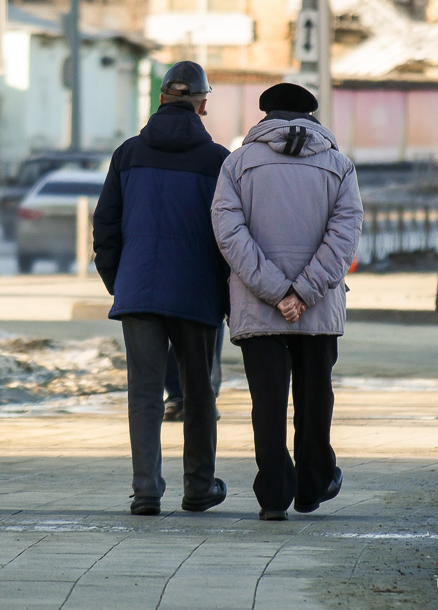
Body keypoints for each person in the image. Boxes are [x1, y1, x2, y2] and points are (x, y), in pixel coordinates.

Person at [211, 83, 363, 521]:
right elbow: (344, 236)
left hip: (257, 306)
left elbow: (229, 233)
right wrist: (303, 292)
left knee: (268, 401)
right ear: (312, 117)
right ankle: (313, 486)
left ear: (266, 117)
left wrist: (276, 291)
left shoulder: (237, 164)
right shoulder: (339, 166)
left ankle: (274, 496)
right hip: (318, 307)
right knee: (315, 398)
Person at [92, 61, 230, 515]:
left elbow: (105, 226)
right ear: (202, 104)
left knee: (145, 393)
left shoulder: (128, 154)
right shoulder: (218, 161)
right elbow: (230, 235)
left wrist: (120, 282)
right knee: (199, 393)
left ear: (161, 100)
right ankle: (199, 487)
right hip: (197, 294)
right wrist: (226, 295)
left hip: (138, 292)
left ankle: (146, 490)